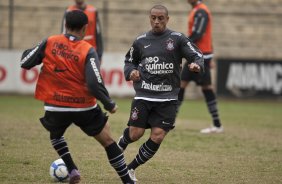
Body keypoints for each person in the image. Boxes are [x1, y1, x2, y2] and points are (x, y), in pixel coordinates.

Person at [20, 10, 134, 184]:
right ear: (85, 29)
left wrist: (38, 48)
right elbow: (94, 82)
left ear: (65, 25)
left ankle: (72, 169)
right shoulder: (87, 49)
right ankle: (128, 181)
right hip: (83, 106)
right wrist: (108, 103)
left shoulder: (50, 42)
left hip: (54, 105)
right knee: (108, 141)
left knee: (56, 135)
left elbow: (25, 62)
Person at [117, 5, 204, 181]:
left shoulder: (177, 38)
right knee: (135, 134)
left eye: (160, 18)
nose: (157, 22)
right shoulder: (140, 40)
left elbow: (196, 54)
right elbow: (129, 61)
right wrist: (131, 72)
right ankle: (123, 141)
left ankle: (131, 169)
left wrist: (196, 64)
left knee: (157, 136)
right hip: (143, 95)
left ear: (167, 19)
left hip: (168, 98)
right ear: (150, 19)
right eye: (153, 18)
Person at [178, 0, 223, 133]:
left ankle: (217, 125)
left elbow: (198, 33)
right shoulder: (197, 10)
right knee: (181, 84)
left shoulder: (201, 11)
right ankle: (169, 122)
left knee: (206, 88)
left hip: (201, 57)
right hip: (197, 55)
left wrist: (181, 45)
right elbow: (208, 37)